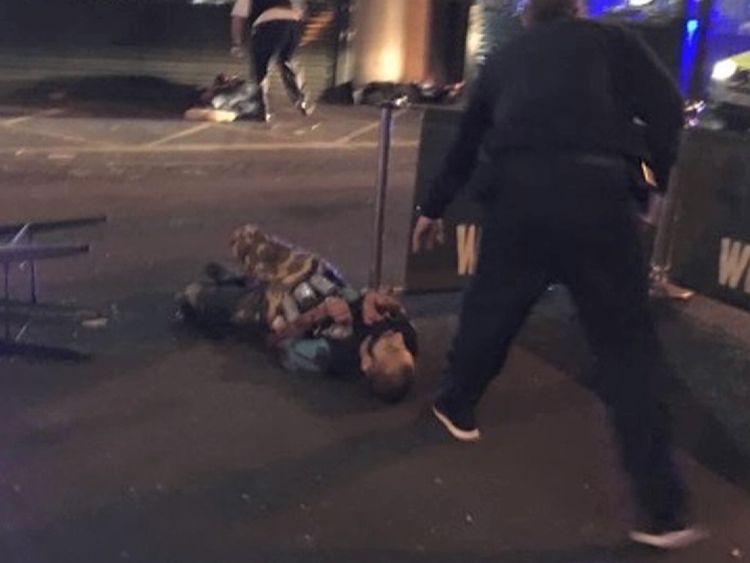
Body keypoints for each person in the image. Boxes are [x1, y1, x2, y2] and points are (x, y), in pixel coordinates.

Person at [411, 0, 704, 549]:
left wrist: (432, 209)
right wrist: (653, 180)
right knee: (627, 349)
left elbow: (466, 143)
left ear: (527, 15)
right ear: (574, 8)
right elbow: (668, 108)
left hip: (520, 194)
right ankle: (663, 509)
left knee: (492, 308)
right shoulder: (613, 41)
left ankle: (458, 404)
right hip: (599, 194)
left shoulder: (504, 59)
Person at [177, 226, 417, 403]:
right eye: (402, 345)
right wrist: (371, 299)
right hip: (312, 276)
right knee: (245, 237)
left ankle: (241, 287)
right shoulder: (404, 335)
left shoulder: (335, 355)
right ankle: (245, 281)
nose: (395, 337)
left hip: (278, 306)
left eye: (390, 347)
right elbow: (387, 302)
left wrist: (319, 313)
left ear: (366, 363)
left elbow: (279, 344)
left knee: (192, 296)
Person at [230, 0, 312, 122]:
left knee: (261, 68)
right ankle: (302, 101)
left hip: (267, 24)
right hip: (292, 24)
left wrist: (237, 43)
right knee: (288, 63)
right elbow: (302, 12)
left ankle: (260, 109)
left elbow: (238, 19)